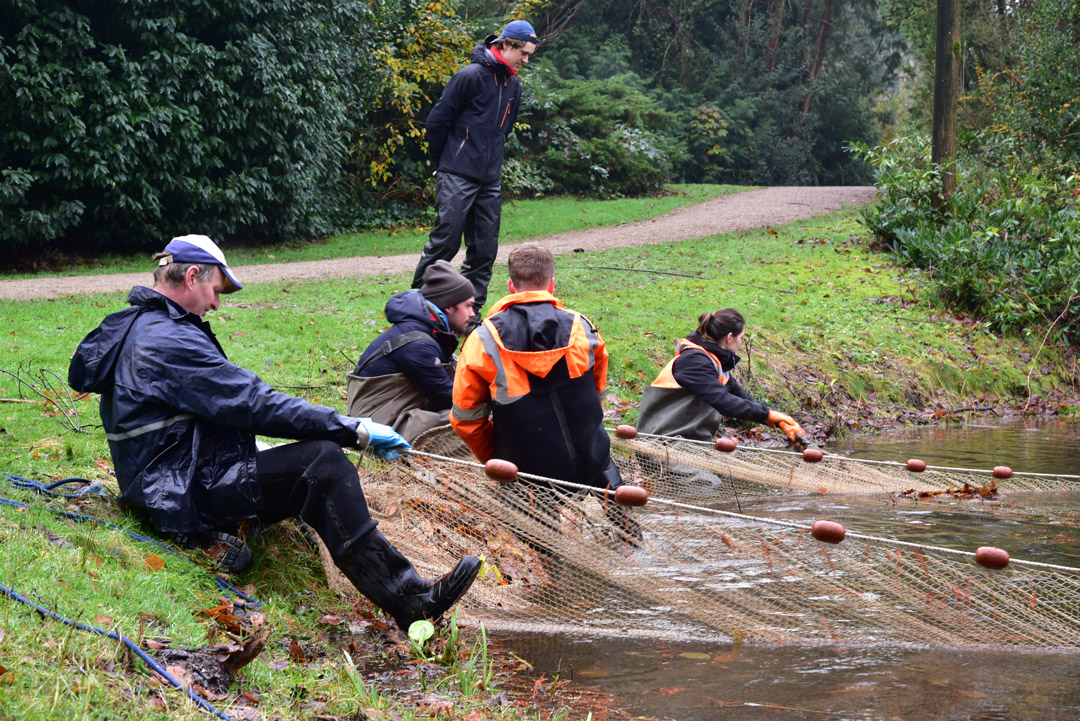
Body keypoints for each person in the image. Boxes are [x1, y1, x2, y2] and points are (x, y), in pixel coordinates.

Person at [68, 234, 479, 632]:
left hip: (166, 478)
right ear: (192, 276)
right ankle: (410, 601)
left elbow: (204, 410)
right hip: (177, 495)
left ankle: (402, 592)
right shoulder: (168, 341)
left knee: (309, 464)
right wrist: (353, 430)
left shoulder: (142, 325)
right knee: (323, 464)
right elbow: (254, 403)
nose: (215, 302)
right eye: (215, 289)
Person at [450, 242, 622, 491]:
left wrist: (496, 458)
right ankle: (624, 521)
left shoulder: (481, 341)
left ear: (511, 286)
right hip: (592, 456)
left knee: (534, 530)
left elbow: (466, 421)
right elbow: (597, 392)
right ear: (551, 284)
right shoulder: (582, 326)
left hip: (523, 472)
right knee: (623, 508)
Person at [411, 19, 539, 318]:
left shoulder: (513, 85)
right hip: (456, 173)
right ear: (506, 44)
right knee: (445, 244)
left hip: (489, 181)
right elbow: (438, 122)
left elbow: (503, 131)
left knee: (484, 251)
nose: (526, 59)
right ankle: (416, 310)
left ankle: (469, 316)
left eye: (530, 54)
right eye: (524, 52)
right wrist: (445, 162)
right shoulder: (469, 76)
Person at [347, 260, 475, 442]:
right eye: (468, 306)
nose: (472, 314)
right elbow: (449, 398)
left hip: (392, 415)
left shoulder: (427, 331)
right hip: (380, 427)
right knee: (475, 424)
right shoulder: (418, 343)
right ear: (449, 306)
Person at [637, 307, 805, 445]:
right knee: (706, 485)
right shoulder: (694, 362)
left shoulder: (714, 363)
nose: (741, 343)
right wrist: (767, 415)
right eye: (741, 338)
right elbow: (725, 402)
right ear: (730, 338)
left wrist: (778, 419)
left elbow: (741, 398)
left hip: (688, 444)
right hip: (659, 443)